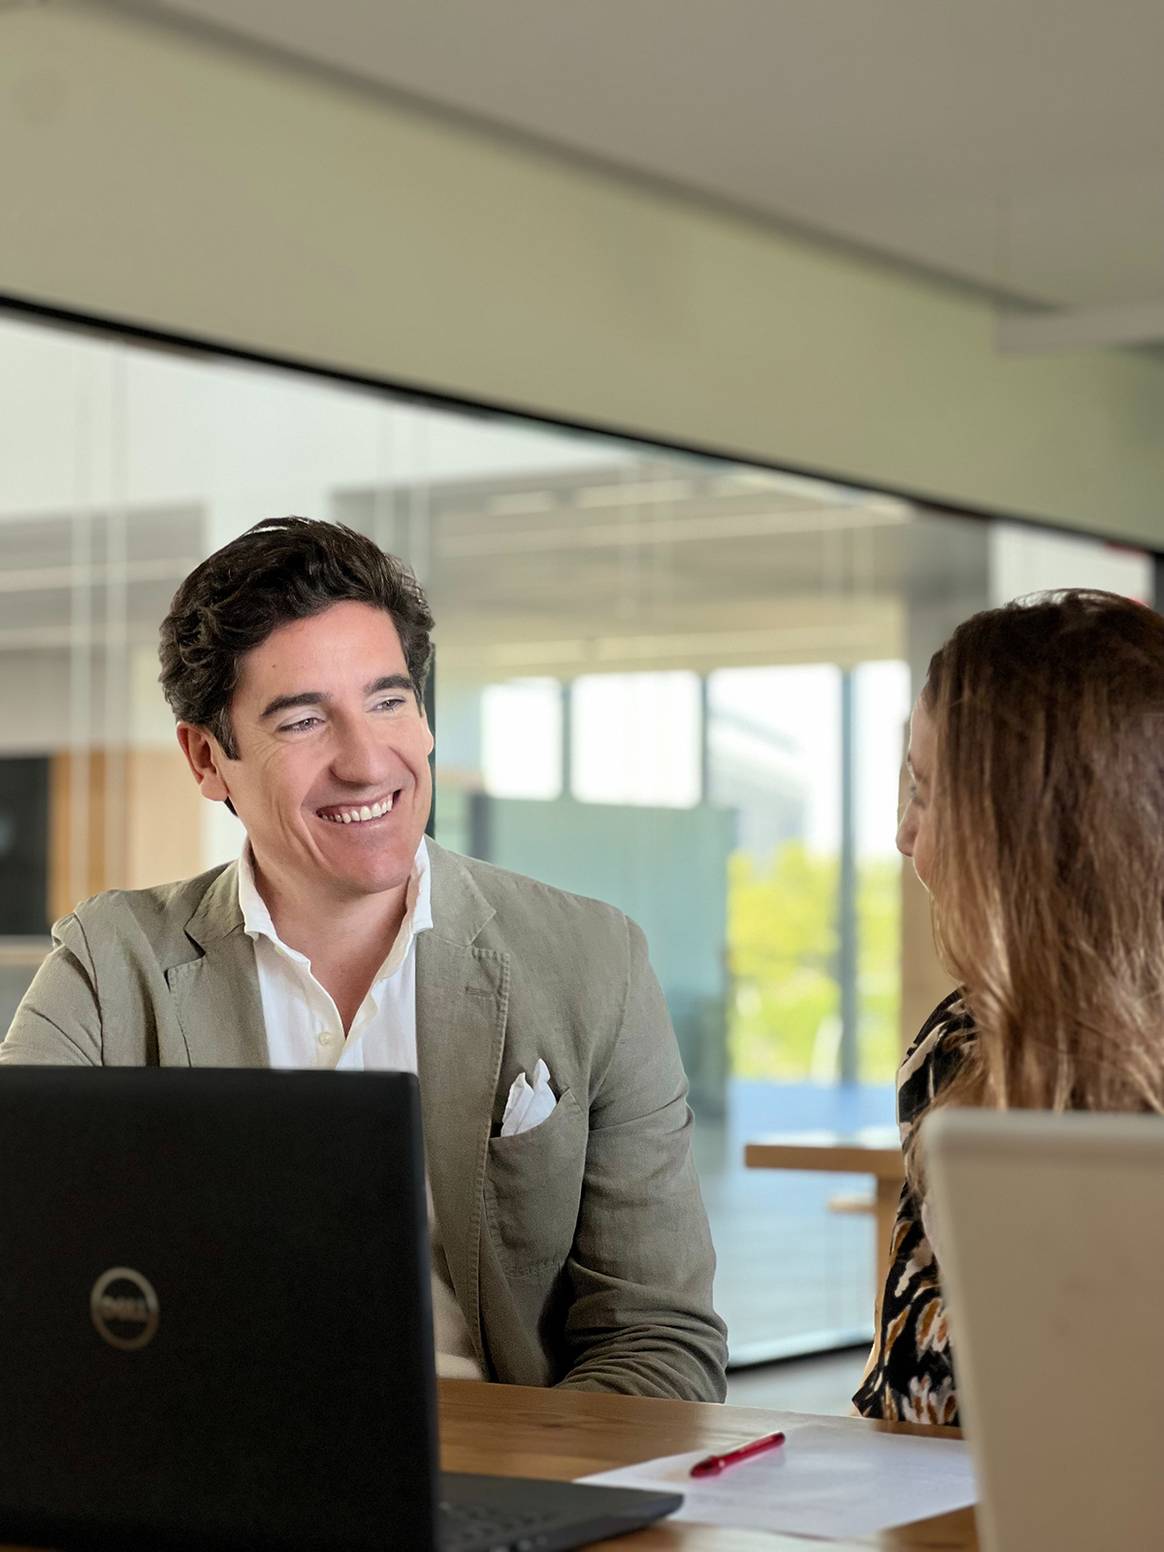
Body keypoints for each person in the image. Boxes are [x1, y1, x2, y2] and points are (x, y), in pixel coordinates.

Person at [3, 516, 727, 1402]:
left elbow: (661, 1341)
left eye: (388, 702)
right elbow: (24, 1282)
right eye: (304, 720)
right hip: (210, 1476)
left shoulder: (592, 960)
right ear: (207, 759)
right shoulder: (108, 969)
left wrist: (523, 1506)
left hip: (504, 1485)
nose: (366, 760)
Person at [853, 589, 1164, 1425]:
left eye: (927, 792)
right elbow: (907, 1399)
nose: (904, 835)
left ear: (1031, 835)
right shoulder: (960, 1047)